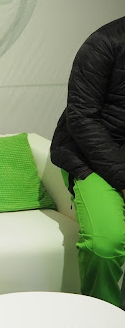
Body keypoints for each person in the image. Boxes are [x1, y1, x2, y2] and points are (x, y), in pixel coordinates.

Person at [50, 16, 125, 309]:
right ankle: (102, 319)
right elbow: (82, 118)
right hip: (90, 157)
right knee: (104, 244)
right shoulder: (105, 43)